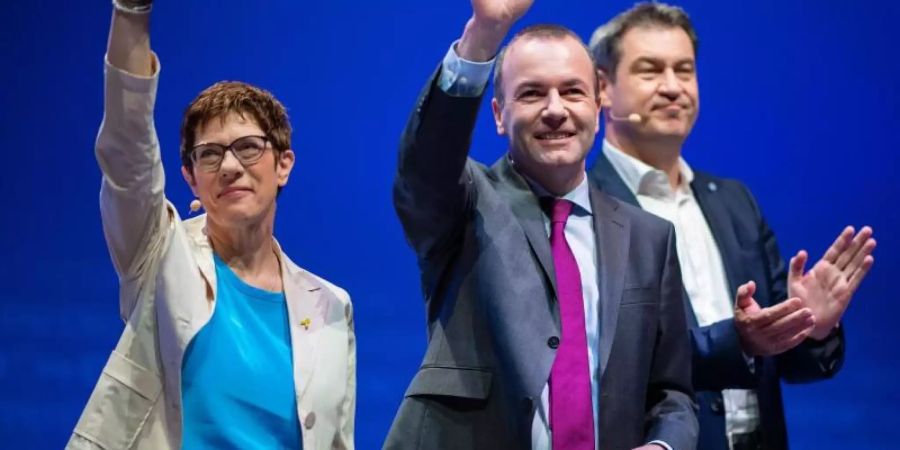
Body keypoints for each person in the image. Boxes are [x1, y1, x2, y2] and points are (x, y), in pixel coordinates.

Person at [385, 1, 697, 449]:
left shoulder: (650, 238)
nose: (555, 110)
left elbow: (672, 394)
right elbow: (427, 162)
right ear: (498, 114)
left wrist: (664, 446)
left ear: (596, 104)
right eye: (532, 94)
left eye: (572, 92)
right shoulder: (466, 204)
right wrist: (483, 35)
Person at [587, 3, 876, 450]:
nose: (672, 87)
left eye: (684, 70)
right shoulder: (585, 206)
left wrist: (809, 326)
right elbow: (613, 359)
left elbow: (784, 361)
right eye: (650, 71)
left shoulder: (736, 202)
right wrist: (738, 341)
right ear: (602, 88)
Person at [66, 2, 355, 449]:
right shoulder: (161, 255)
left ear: (283, 165)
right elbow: (127, 151)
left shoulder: (333, 307)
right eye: (210, 154)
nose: (231, 166)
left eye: (248, 147)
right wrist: (130, 11)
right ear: (190, 177)